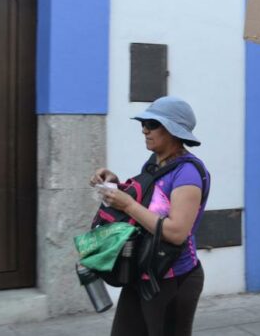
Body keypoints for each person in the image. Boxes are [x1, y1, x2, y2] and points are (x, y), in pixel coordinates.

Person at [90, 96, 210, 336]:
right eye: (143, 123)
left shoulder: (188, 174)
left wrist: (128, 205)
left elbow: (177, 233)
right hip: (143, 270)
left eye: (152, 124)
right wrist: (115, 186)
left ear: (174, 130)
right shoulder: (155, 164)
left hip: (173, 278)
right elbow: (150, 203)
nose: (144, 129)